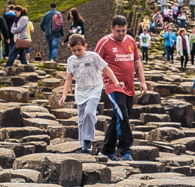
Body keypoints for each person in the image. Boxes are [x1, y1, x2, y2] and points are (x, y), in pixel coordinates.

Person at [95, 14, 145, 162]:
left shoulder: (130, 40)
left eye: (124, 30)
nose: (122, 34)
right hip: (113, 86)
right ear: (112, 28)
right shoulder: (104, 43)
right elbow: (93, 62)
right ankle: (125, 151)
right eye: (118, 31)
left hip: (129, 86)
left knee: (120, 116)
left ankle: (106, 151)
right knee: (122, 115)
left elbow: (137, 63)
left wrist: (142, 82)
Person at [60, 33, 107, 153]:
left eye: (79, 50)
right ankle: (84, 146)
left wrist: (116, 82)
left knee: (89, 113)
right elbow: (69, 78)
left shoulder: (93, 56)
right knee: (81, 119)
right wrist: (64, 95)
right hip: (80, 91)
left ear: (85, 46)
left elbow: (106, 68)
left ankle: (88, 140)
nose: (76, 53)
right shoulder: (71, 60)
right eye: (73, 50)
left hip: (94, 88)